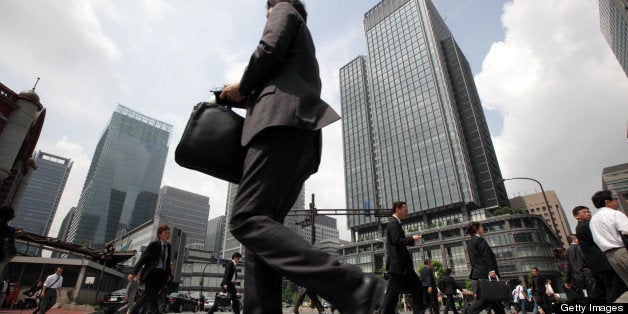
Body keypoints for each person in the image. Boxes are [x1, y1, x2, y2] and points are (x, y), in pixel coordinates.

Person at [219, 1, 384, 313]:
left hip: (280, 127)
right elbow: (279, 82)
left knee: (246, 218)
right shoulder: (302, 53)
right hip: (299, 131)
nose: (266, 16)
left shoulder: (283, 10)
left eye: (266, 12)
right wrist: (244, 93)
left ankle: (351, 284)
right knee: (262, 236)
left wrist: (243, 85)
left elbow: (267, 50)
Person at [574, 205, 626, 303]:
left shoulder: (582, 226)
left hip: (598, 263)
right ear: (576, 216)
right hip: (602, 262)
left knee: (610, 288)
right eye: (584, 212)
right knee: (614, 288)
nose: (588, 213)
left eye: (588, 211)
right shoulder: (585, 226)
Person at [381, 201, 424, 314]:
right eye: (405, 209)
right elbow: (396, 240)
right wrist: (412, 239)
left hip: (402, 267)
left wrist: (411, 240)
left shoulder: (396, 223)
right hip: (397, 267)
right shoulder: (393, 222)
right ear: (397, 209)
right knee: (392, 295)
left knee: (416, 288)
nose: (406, 211)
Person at [130, 224, 172, 314]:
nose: (168, 235)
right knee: (152, 298)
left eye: (168, 233)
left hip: (161, 275)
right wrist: (133, 272)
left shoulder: (168, 246)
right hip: (152, 274)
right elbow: (143, 258)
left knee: (146, 296)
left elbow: (168, 262)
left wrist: (169, 274)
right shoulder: (154, 245)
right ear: (160, 235)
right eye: (165, 233)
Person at [590, 191, 628, 286]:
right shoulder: (615, 214)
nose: (617, 201)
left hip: (610, 256)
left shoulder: (593, 220)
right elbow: (626, 232)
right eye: (614, 199)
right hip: (623, 251)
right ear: (607, 202)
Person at [465, 221, 504, 314]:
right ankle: (468, 311)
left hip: (478, 273)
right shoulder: (479, 240)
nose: (482, 229)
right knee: (488, 298)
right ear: (477, 229)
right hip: (485, 273)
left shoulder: (470, 242)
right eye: (481, 227)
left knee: (494, 299)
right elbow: (486, 256)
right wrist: (491, 270)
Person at [564, 234, 588, 303]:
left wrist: (567, 280)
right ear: (575, 240)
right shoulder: (580, 247)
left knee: (582, 297)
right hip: (586, 274)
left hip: (576, 277)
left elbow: (568, 267)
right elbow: (585, 259)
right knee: (592, 294)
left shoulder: (567, 251)